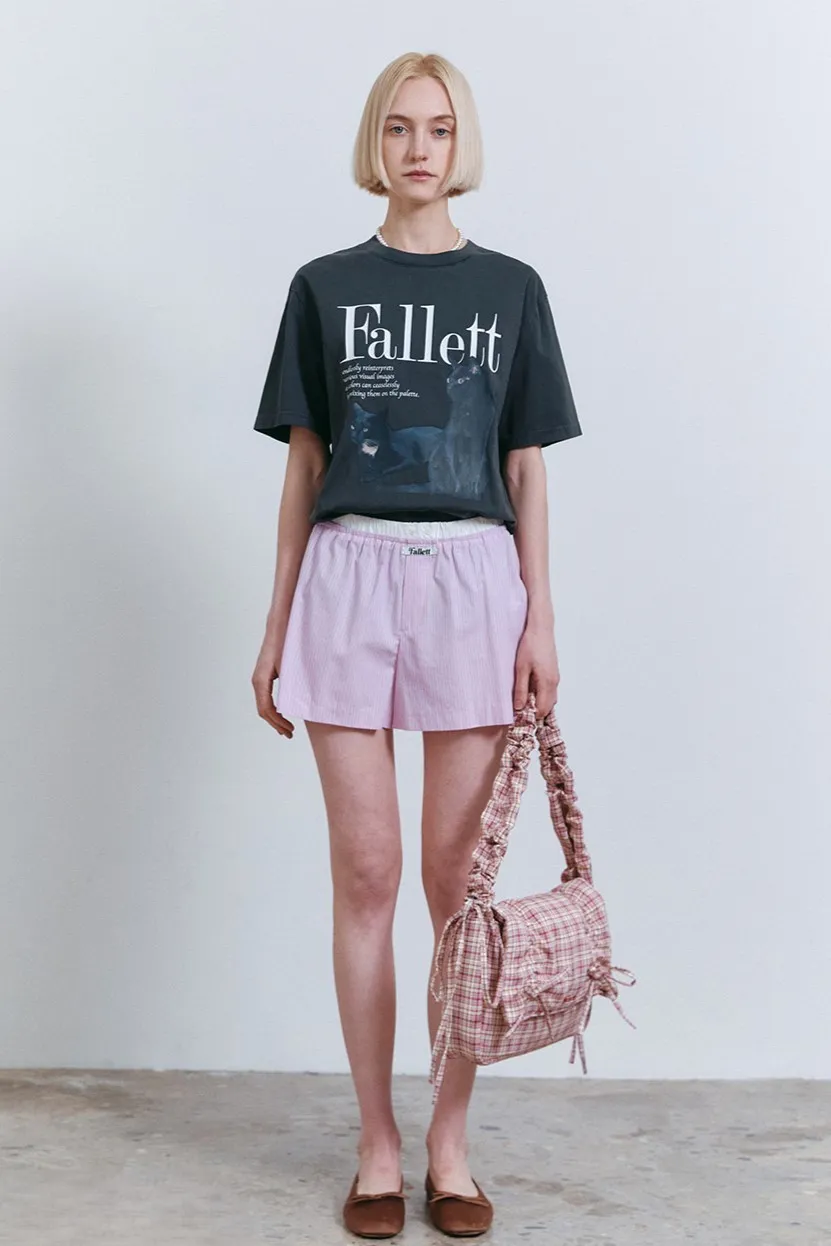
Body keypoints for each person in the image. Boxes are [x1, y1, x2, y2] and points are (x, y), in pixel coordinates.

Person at [250, 50, 582, 1239]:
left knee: (456, 884)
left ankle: (449, 1139)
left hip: (475, 581)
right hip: (346, 575)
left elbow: (525, 466)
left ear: (461, 142)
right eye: (399, 127)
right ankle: (375, 1143)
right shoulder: (324, 286)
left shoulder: (512, 289)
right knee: (366, 874)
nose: (419, 148)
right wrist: (275, 624)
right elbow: (304, 465)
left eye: (438, 128)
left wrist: (541, 615)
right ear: (375, 143)